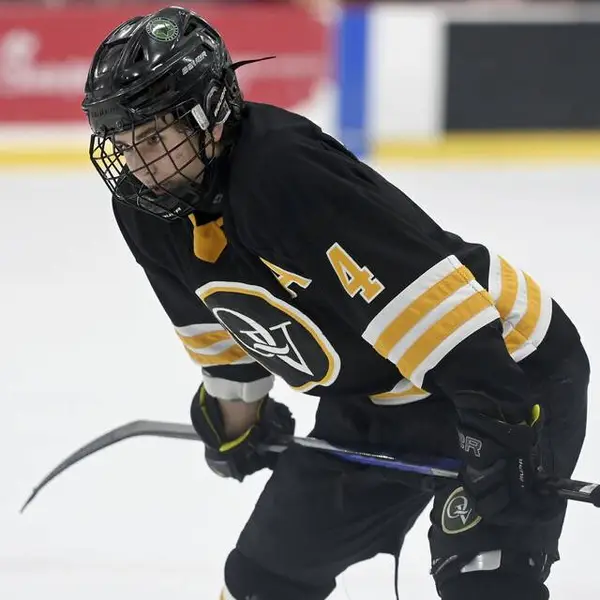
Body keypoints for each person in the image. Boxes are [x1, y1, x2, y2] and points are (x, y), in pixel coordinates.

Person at [81, 6, 589, 600]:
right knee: (263, 581)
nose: (138, 165)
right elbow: (221, 328)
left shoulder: (284, 173)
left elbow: (428, 307)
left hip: (502, 367)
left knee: (487, 585)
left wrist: (503, 433)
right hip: (376, 399)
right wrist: (235, 418)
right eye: (124, 143)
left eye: (153, 138)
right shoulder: (147, 210)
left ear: (210, 115)